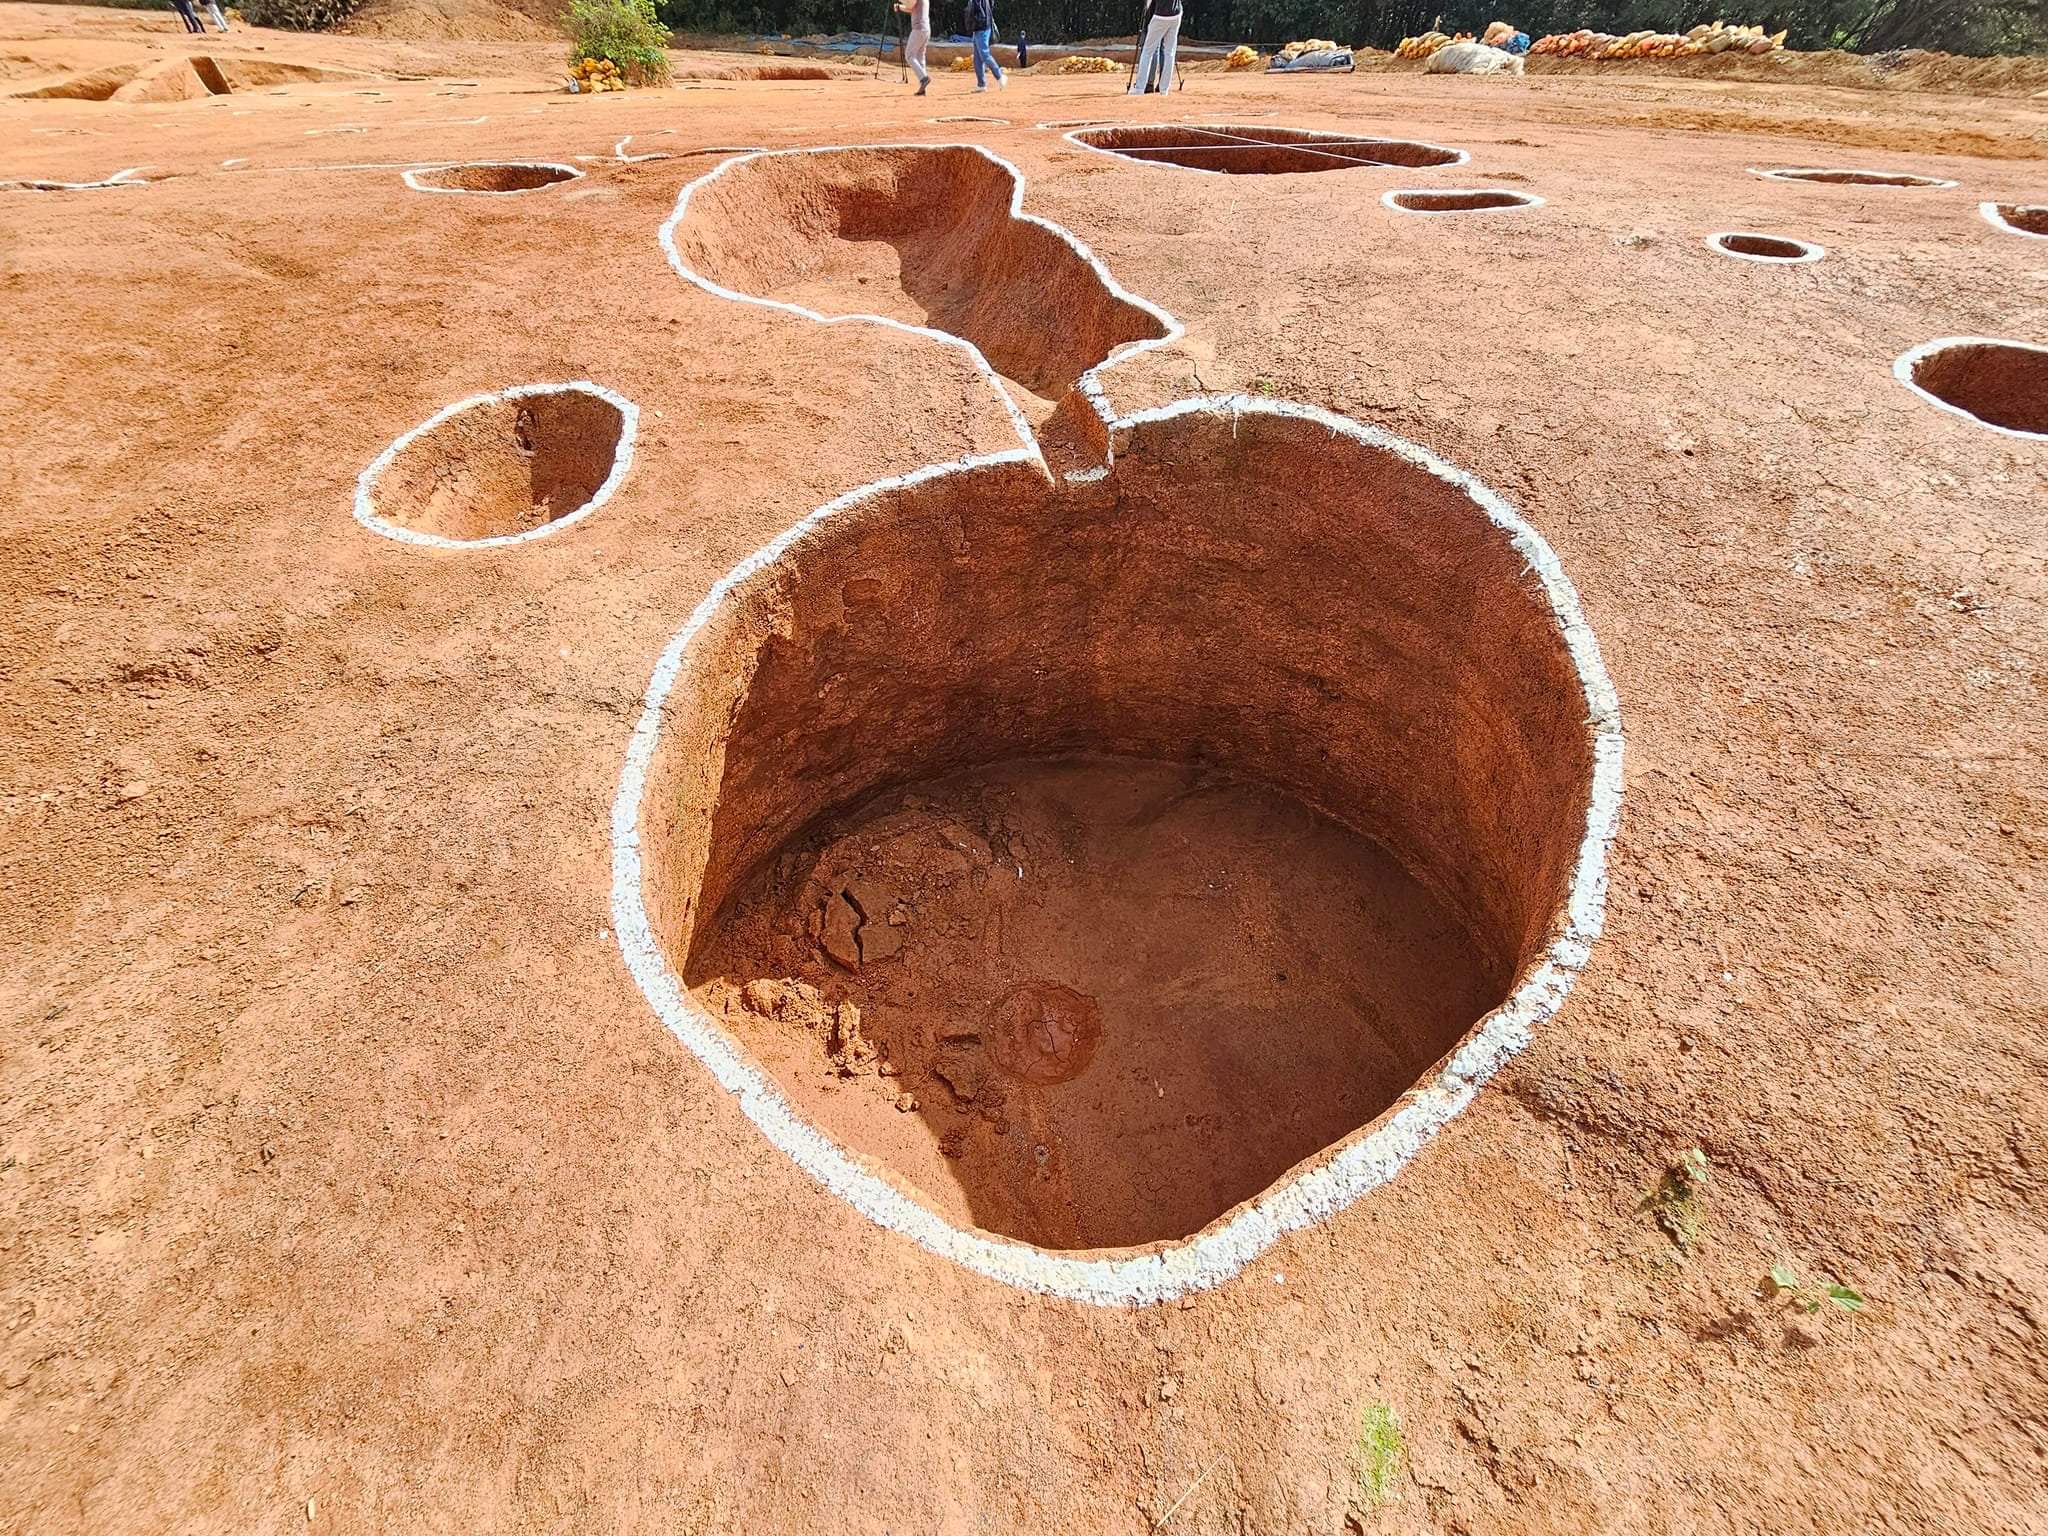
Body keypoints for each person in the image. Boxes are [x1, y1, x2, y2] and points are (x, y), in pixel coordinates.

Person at [1128, 0, 1181, 93]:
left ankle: (1140, 88)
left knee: (1147, 52)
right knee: (1170, 53)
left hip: (1159, 15)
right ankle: (1164, 89)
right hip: (1175, 14)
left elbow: (1148, 3)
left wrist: (1146, 8)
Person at [966, 0, 1004, 90]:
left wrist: (978, 21)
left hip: (982, 27)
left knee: (984, 54)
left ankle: (1000, 76)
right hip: (979, 27)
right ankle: (981, 84)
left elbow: (979, 9)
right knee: (977, 59)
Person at [895, 0, 930, 95]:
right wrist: (900, 7)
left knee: (909, 55)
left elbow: (909, 4)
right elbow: (912, 8)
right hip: (925, 29)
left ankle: (924, 78)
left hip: (919, 29)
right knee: (920, 57)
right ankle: (923, 85)